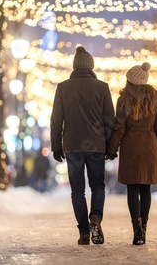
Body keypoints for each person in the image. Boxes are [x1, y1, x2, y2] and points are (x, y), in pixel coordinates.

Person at [50, 46, 115, 245]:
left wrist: (56, 146)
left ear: (74, 66)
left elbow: (56, 120)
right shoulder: (102, 88)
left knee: (77, 190)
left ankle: (84, 232)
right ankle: (95, 217)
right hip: (96, 145)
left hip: (72, 145)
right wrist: (111, 147)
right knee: (98, 186)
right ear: (91, 66)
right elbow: (109, 120)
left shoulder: (63, 87)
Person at [106, 62, 157, 245]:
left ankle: (137, 230)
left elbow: (119, 128)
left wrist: (111, 150)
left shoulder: (124, 99)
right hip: (150, 146)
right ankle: (144, 229)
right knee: (146, 188)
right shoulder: (154, 100)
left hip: (130, 146)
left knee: (132, 189)